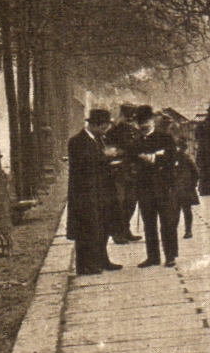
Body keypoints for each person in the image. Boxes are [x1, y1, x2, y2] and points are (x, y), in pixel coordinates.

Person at [67, 109, 124, 275]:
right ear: (93, 125)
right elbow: (84, 164)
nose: (105, 130)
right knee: (86, 228)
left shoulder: (99, 139)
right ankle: (85, 265)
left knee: (103, 226)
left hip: (102, 190)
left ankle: (102, 260)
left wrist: (112, 157)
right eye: (103, 126)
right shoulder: (77, 141)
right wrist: (105, 156)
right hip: (85, 192)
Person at [131, 106, 179, 267]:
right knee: (149, 223)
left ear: (152, 121)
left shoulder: (165, 138)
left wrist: (153, 159)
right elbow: (131, 161)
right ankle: (153, 257)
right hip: (144, 187)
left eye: (146, 121)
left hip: (163, 185)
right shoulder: (135, 142)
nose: (143, 125)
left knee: (167, 222)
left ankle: (170, 255)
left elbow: (172, 158)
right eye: (140, 122)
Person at [107, 104, 142, 243]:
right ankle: (117, 233)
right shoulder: (113, 131)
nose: (129, 119)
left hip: (132, 170)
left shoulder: (134, 130)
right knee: (119, 202)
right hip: (118, 171)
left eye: (131, 117)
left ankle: (126, 229)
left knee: (131, 202)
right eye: (127, 116)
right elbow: (110, 149)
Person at [172, 130, 201, 239]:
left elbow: (196, 172)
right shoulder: (169, 159)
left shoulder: (186, 159)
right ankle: (173, 230)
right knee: (174, 211)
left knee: (186, 210)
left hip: (185, 188)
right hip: (175, 189)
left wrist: (192, 184)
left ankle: (188, 230)